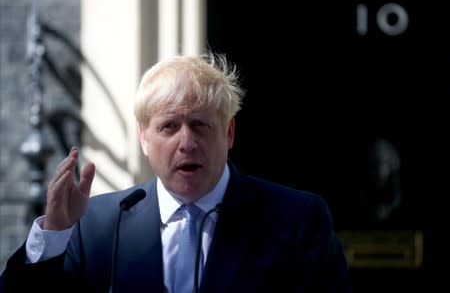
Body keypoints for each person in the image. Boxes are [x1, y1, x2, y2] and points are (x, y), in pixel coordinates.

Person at [0, 52, 352, 292]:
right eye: (169, 127)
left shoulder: (296, 220)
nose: (187, 143)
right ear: (144, 138)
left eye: (200, 125)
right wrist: (54, 234)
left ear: (228, 133)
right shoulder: (97, 225)